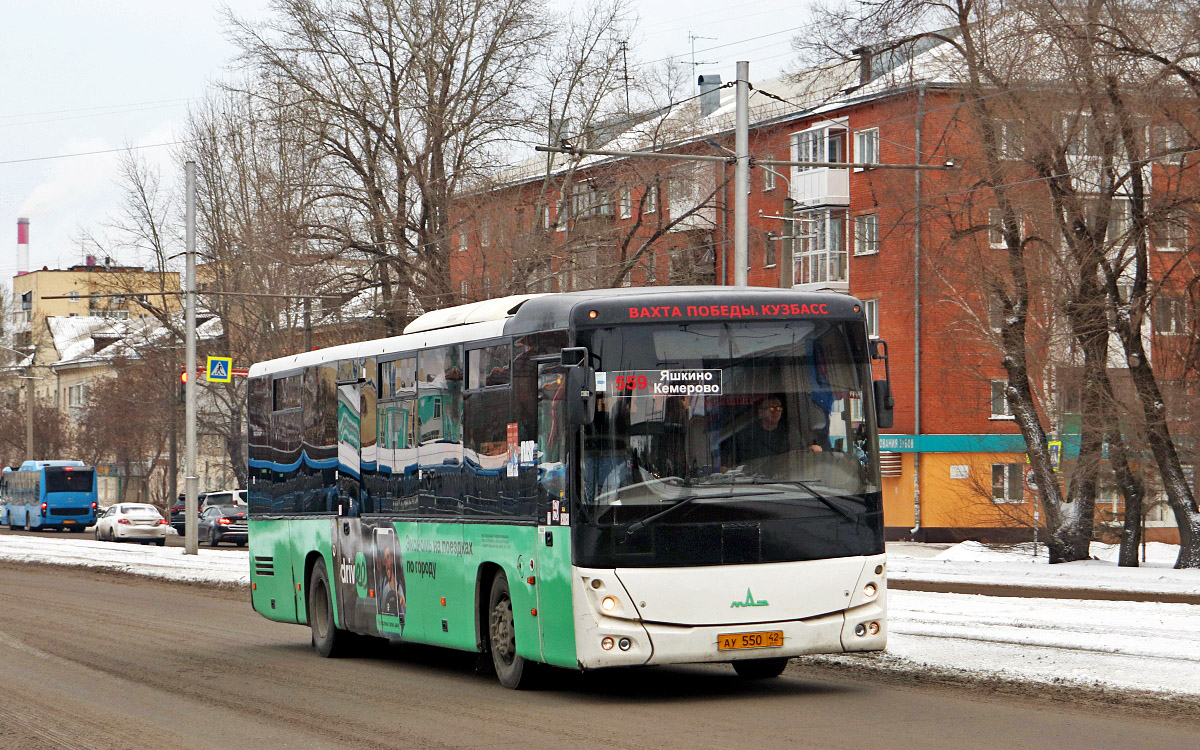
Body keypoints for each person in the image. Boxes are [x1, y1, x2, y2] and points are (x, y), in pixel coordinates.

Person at [728, 395, 791, 464]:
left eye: (779, 408)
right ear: (761, 412)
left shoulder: (789, 432)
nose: (776, 412)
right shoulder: (747, 434)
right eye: (772, 408)